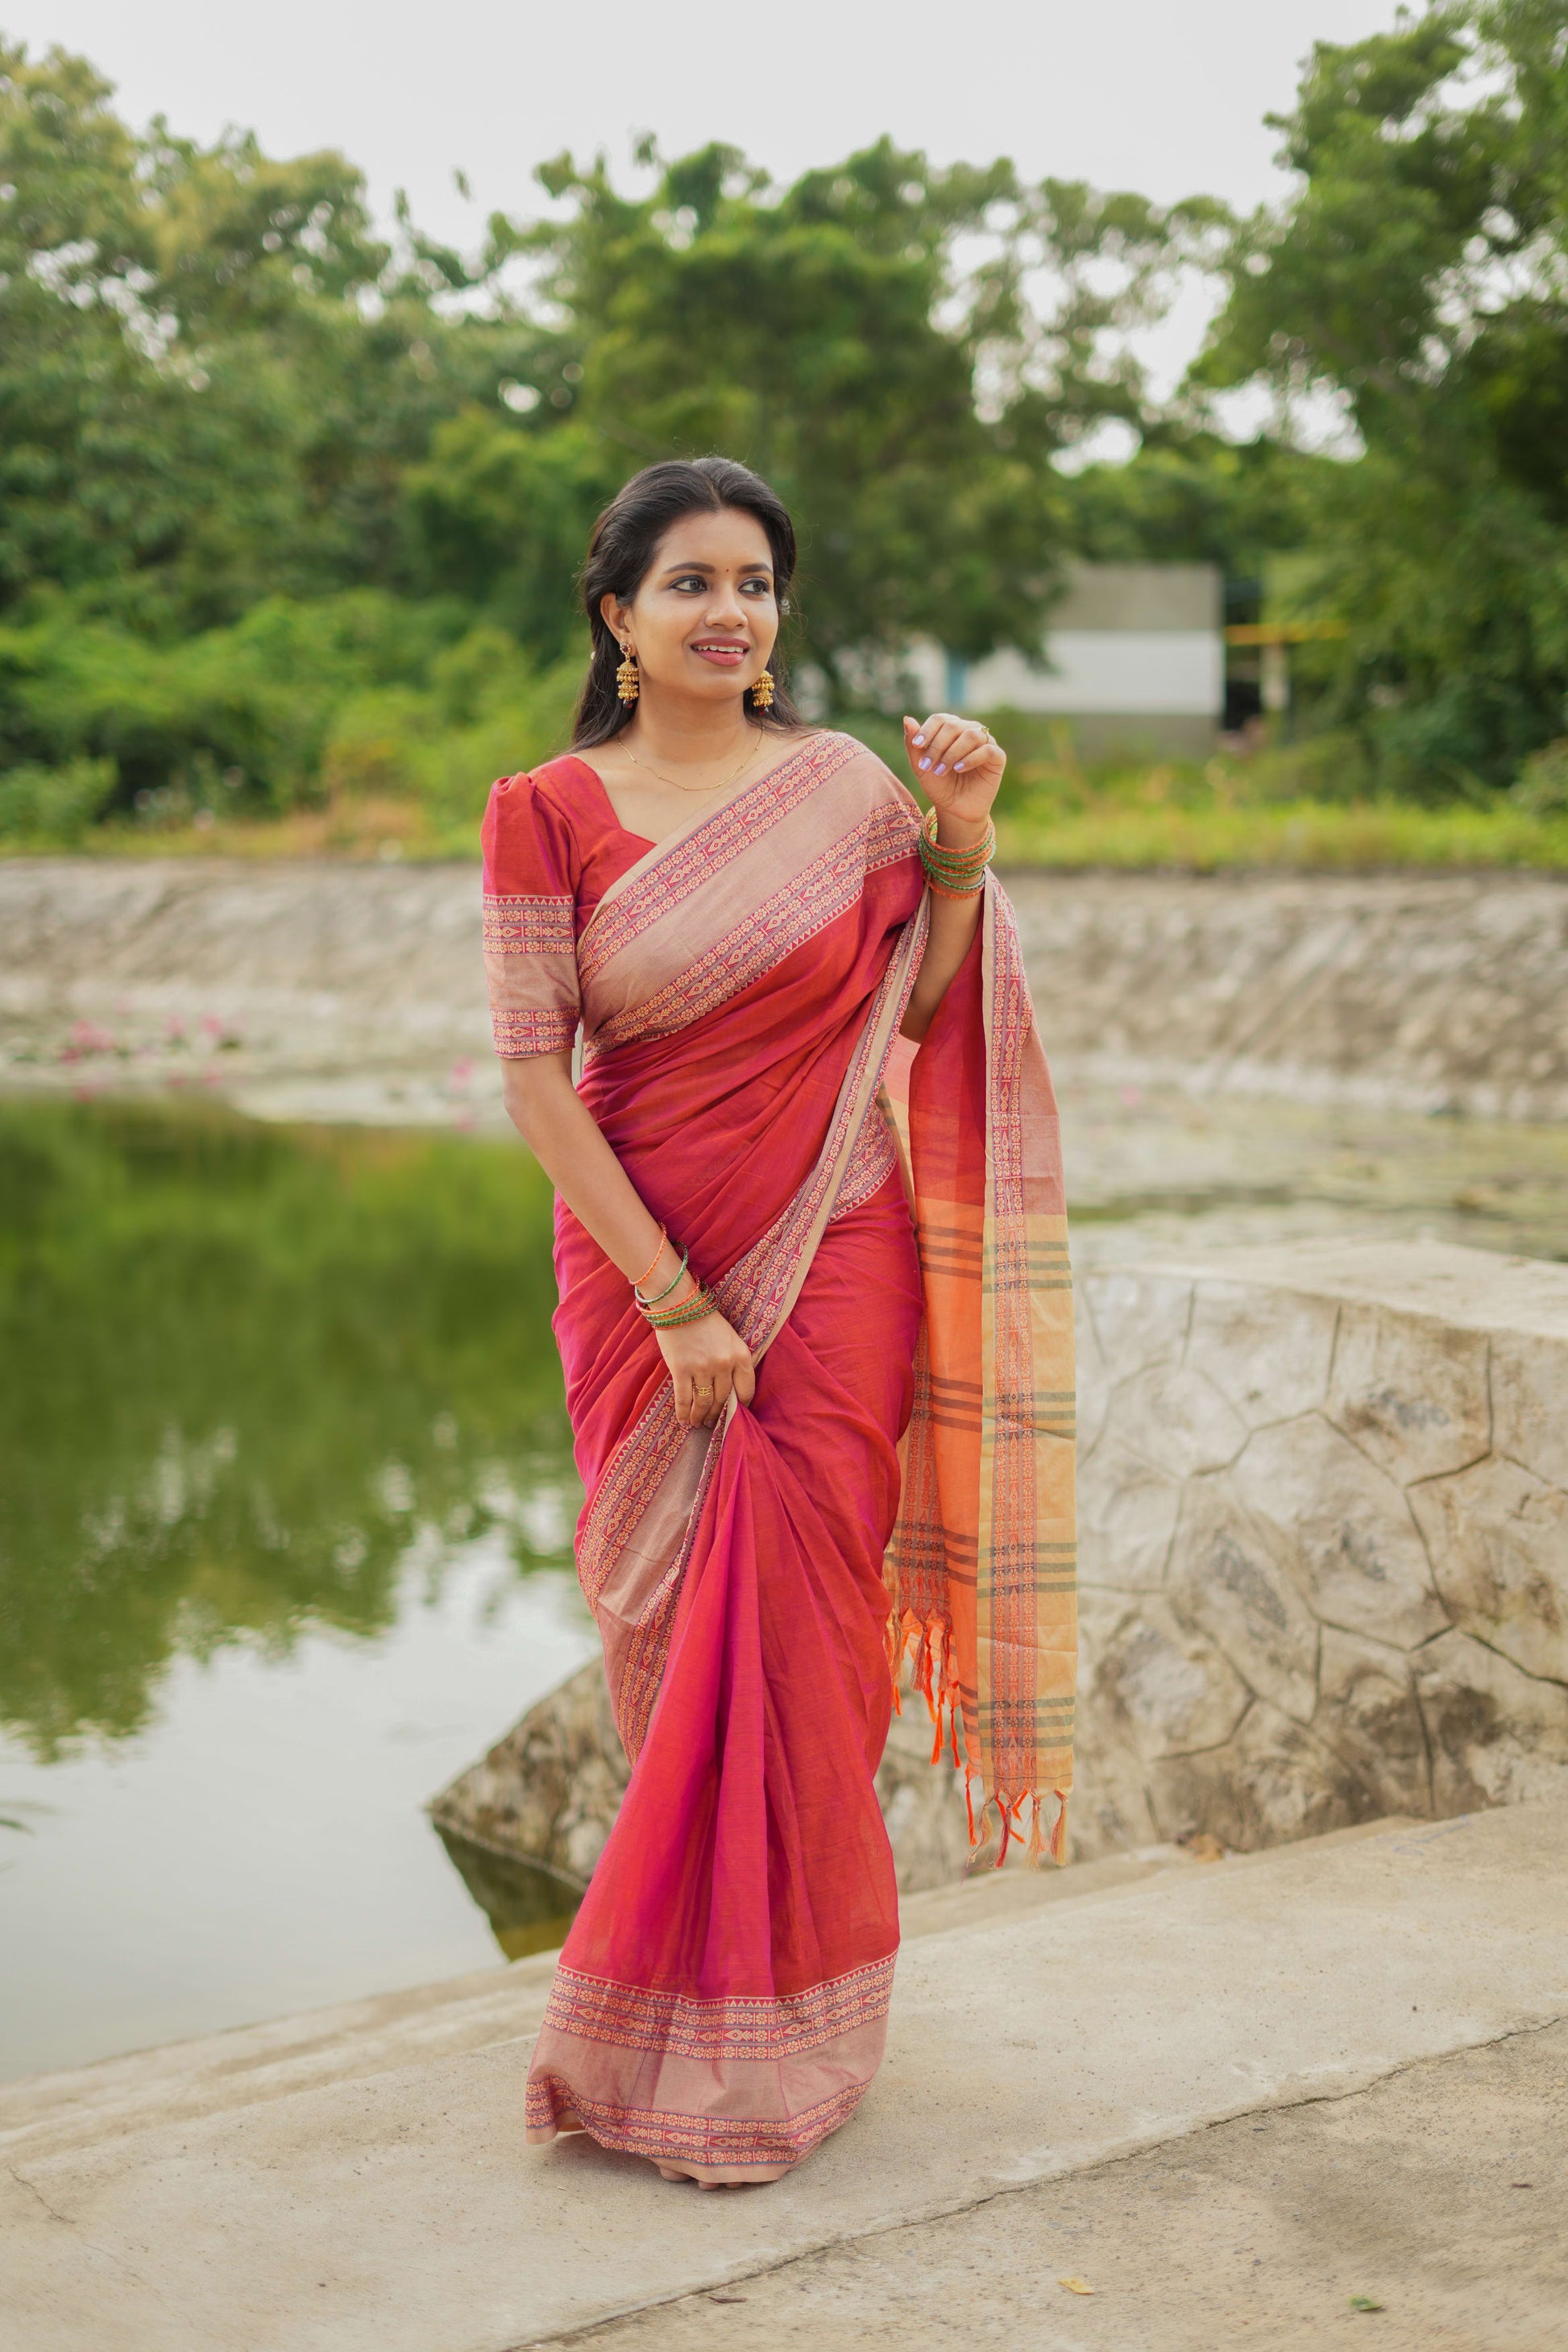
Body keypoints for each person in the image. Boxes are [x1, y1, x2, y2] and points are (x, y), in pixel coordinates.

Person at [482, 455, 1075, 2188]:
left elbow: (930, 1003)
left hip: (839, 1256)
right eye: (689, 582)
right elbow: (533, 1074)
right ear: (617, 614)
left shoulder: (840, 788)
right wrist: (669, 1296)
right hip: (639, 1266)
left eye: (754, 581)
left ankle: (799, 2029)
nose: (728, 610)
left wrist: (959, 838)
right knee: (672, 1639)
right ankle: (658, 2026)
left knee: (813, 1647)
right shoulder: (547, 806)